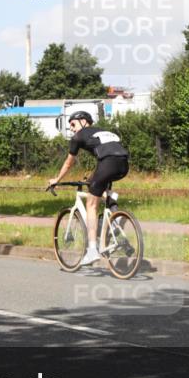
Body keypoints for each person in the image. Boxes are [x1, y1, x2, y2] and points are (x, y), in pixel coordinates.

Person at [48, 111, 129, 266]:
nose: (71, 129)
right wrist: (91, 178)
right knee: (97, 184)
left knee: (91, 205)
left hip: (107, 163)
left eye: (73, 124)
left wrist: (56, 180)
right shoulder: (104, 132)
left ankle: (92, 251)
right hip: (124, 164)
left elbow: (68, 163)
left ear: (84, 121)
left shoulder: (78, 137)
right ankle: (115, 212)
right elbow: (109, 155)